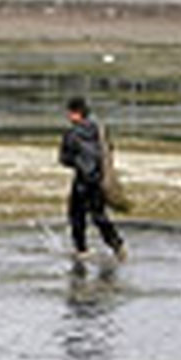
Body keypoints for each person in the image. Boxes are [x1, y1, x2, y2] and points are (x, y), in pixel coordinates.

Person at [58, 96, 126, 262]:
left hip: (82, 179)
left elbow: (64, 159)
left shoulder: (71, 134)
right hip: (99, 179)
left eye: (69, 112)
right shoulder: (99, 129)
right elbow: (108, 149)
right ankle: (117, 245)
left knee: (76, 215)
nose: (67, 116)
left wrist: (74, 162)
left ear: (76, 113)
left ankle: (81, 250)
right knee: (98, 215)